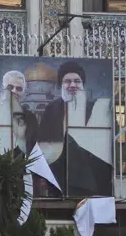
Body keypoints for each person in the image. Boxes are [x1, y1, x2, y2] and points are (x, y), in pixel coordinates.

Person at [36, 62, 114, 198]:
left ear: (83, 85)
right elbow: (44, 143)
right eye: (67, 81)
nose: (72, 85)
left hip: (88, 176)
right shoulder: (52, 109)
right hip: (58, 175)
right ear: (61, 85)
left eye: (77, 81)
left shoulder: (94, 108)